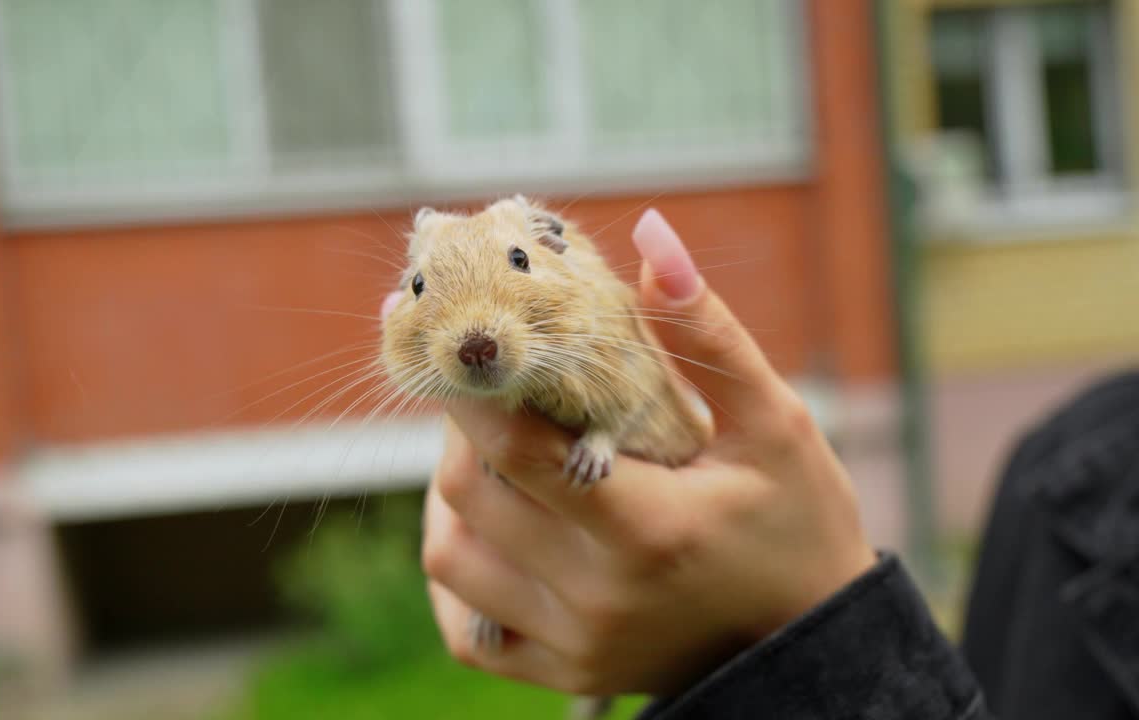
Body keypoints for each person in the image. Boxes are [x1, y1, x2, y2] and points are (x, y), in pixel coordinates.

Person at [390, 209, 1139, 719]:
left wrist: (817, 619)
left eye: (519, 263)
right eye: (421, 287)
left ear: (552, 245)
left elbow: (633, 396)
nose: (475, 336)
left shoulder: (1065, 486)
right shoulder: (1063, 479)